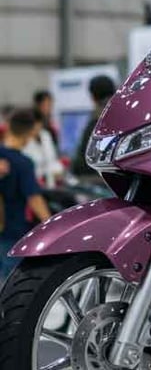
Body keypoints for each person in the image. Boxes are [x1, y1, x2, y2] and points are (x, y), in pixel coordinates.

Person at [0, 109, 52, 282]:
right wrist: (50, 223)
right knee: (10, 281)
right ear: (30, 133)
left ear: (7, 127)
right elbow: (34, 198)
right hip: (12, 229)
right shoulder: (23, 163)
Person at [70, 75, 116, 177]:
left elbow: (82, 162)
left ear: (93, 97)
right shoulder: (127, 117)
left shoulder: (95, 123)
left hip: (98, 179)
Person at [23, 110, 64, 188]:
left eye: (39, 124)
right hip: (33, 182)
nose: (37, 128)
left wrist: (58, 170)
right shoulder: (25, 140)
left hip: (50, 182)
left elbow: (52, 159)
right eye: (34, 125)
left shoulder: (45, 135)